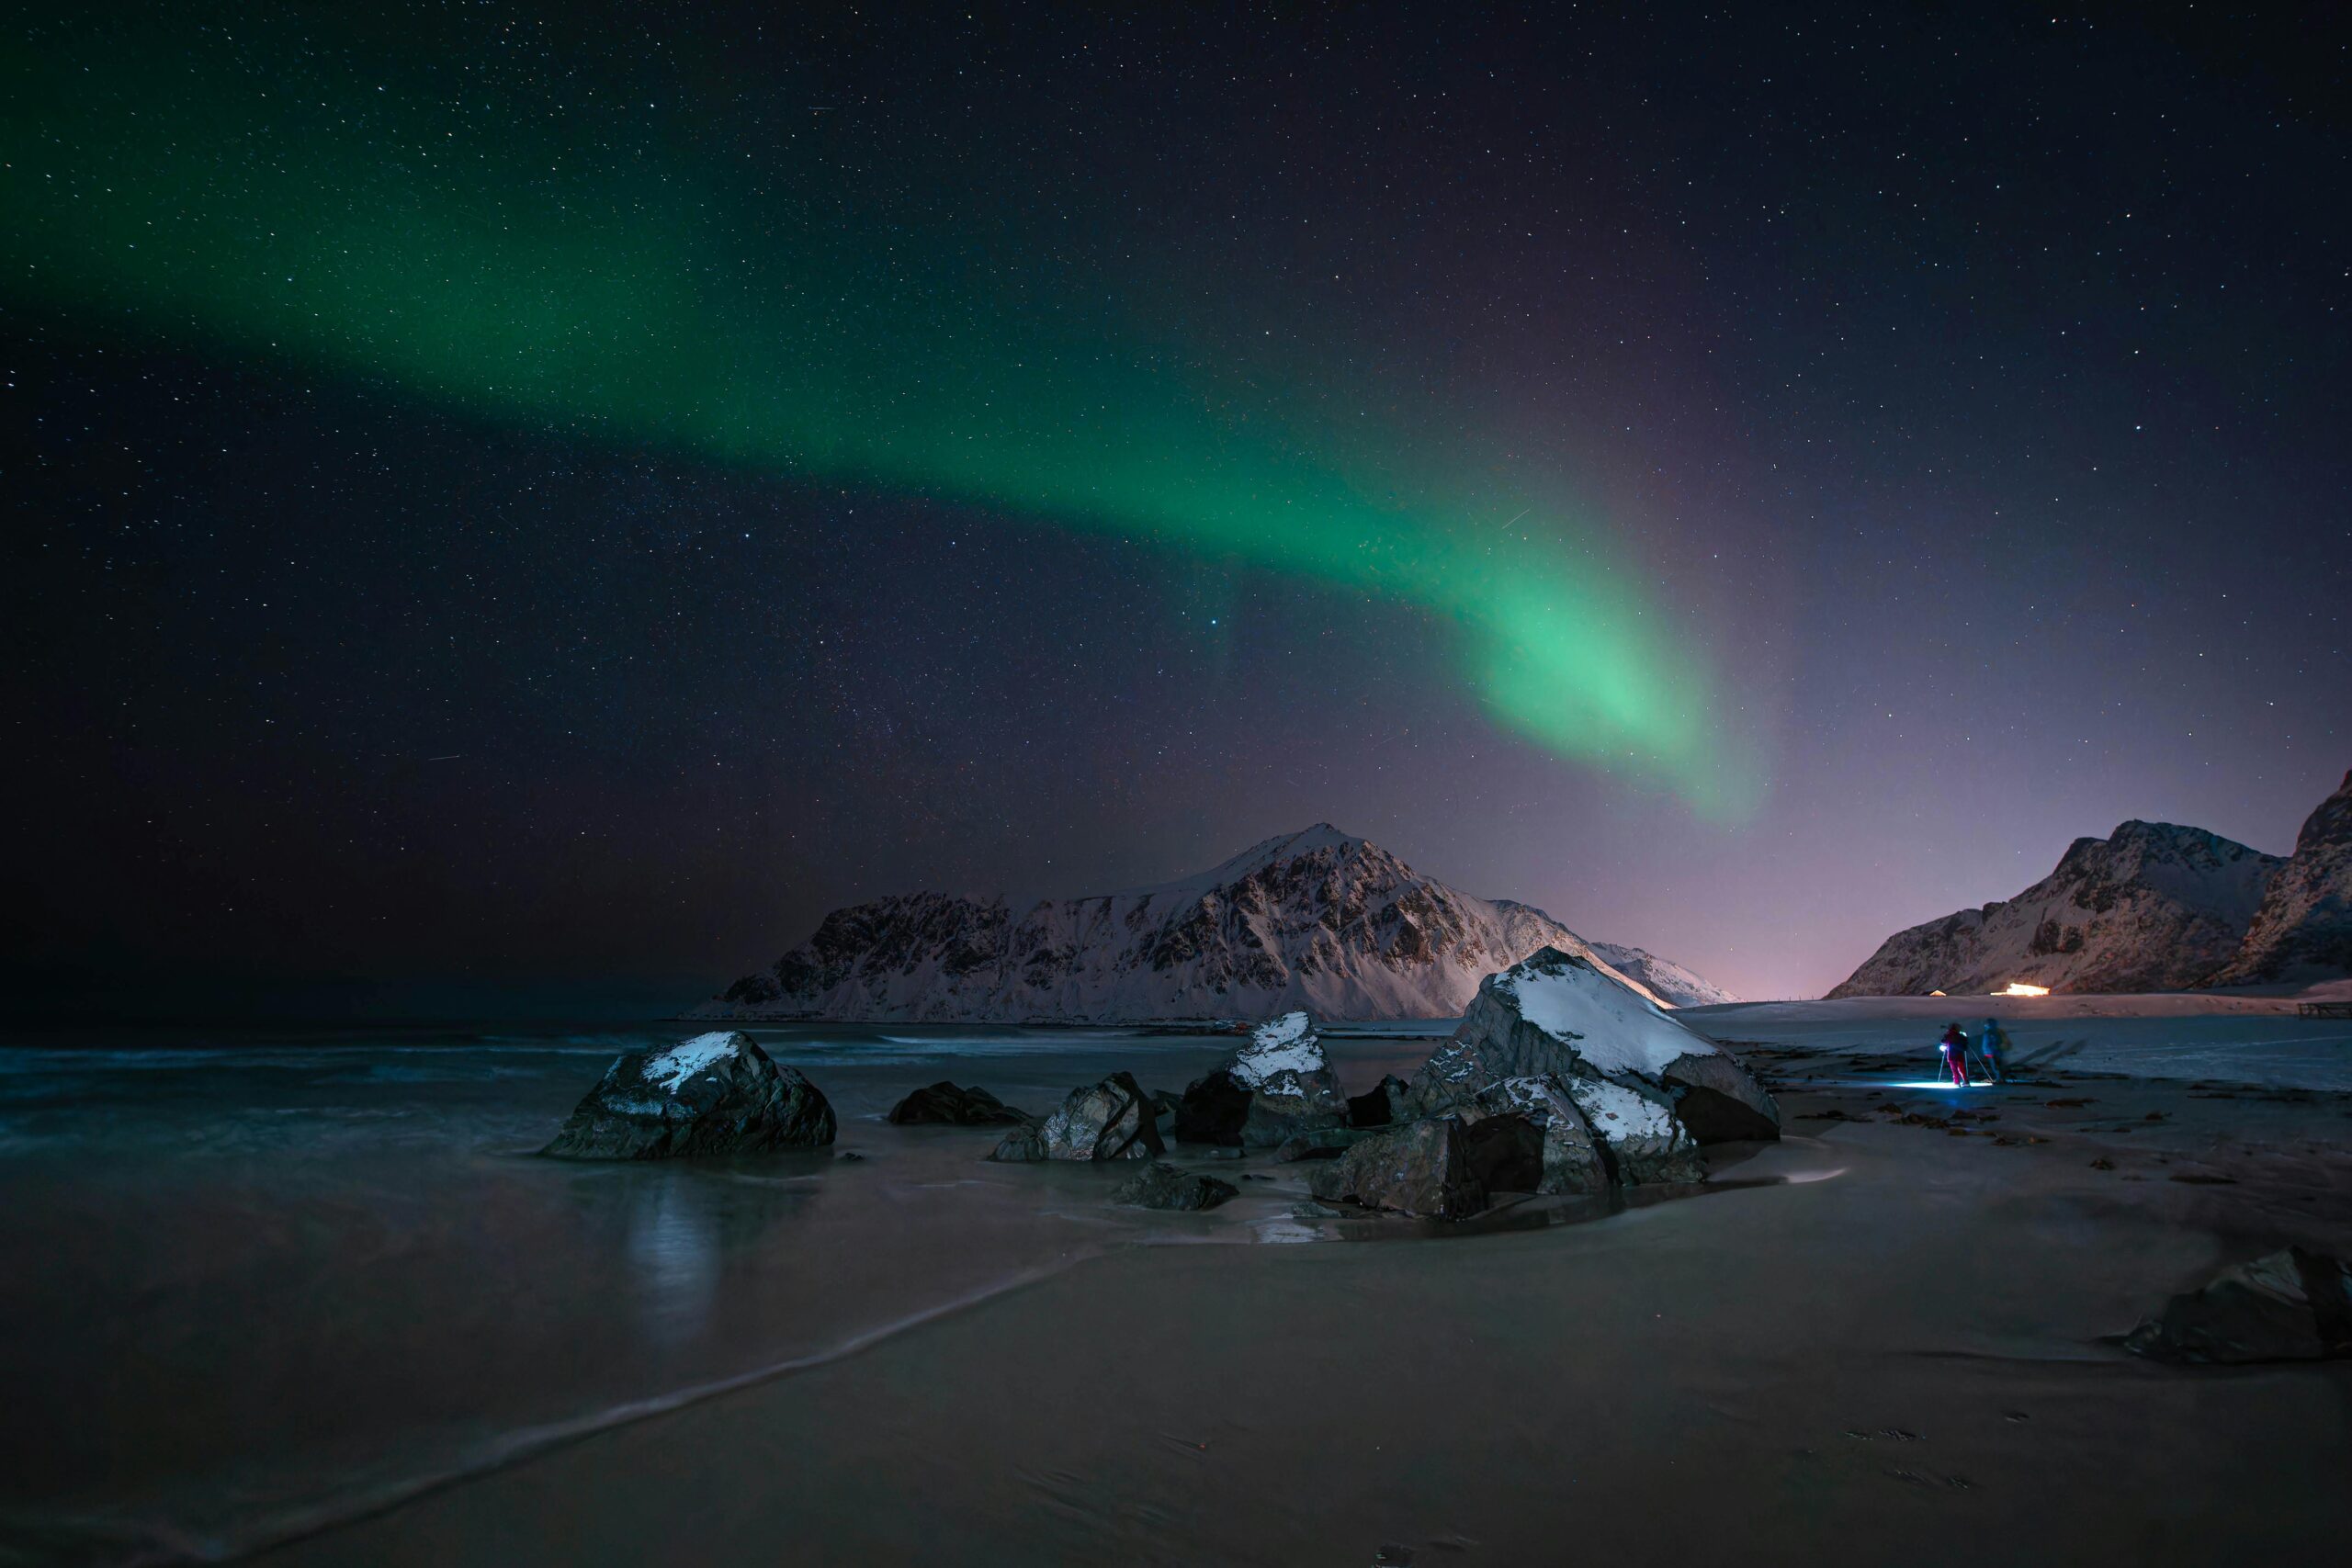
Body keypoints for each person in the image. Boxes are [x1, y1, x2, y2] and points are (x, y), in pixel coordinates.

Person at [1938, 1021, 1971, 1087]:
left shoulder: (1949, 1035)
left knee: (1954, 1070)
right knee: (1962, 1069)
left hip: (1952, 1055)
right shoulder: (1961, 1036)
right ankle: (1966, 1082)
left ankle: (1957, 1082)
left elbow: (1943, 1041)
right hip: (1960, 1054)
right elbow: (1966, 1044)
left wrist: (1946, 1035)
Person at [1975, 1017, 2007, 1084]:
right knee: (1997, 1065)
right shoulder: (1995, 1032)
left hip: (1992, 1052)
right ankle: (2001, 1078)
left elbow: (1988, 1043)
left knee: (1995, 1066)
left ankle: (1999, 1079)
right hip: (1993, 1052)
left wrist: (1987, 1051)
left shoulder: (1990, 1033)